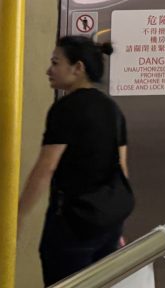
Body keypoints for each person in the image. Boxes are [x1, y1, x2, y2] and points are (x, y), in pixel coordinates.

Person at [17, 36, 131, 286]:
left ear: (78, 67)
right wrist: (115, 223)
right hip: (107, 225)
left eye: (55, 63)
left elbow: (46, 168)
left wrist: (18, 215)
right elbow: (122, 170)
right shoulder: (113, 109)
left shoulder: (66, 109)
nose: (49, 70)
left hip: (72, 225)